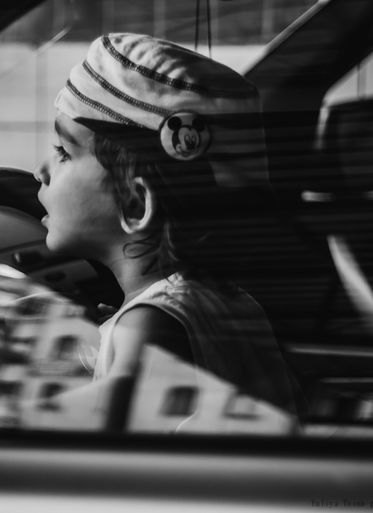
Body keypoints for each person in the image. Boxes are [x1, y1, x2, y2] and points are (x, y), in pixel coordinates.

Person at [33, 33, 301, 431]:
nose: (40, 171)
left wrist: (6, 393)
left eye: (63, 153)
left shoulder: (151, 322)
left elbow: (104, 421)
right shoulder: (231, 300)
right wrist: (110, 339)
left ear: (135, 204)